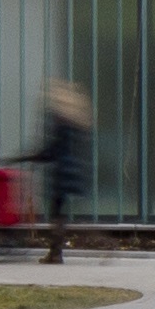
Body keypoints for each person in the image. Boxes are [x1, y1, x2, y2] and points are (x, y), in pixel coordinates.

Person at [28, 80, 94, 264]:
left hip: (63, 172)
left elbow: (54, 149)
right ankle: (55, 252)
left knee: (56, 213)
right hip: (70, 170)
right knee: (59, 212)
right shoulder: (74, 124)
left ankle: (56, 253)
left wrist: (37, 156)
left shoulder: (62, 124)